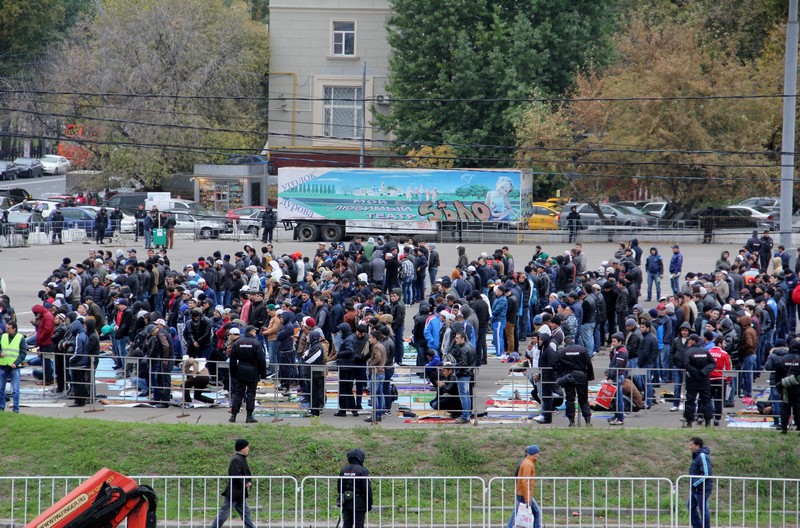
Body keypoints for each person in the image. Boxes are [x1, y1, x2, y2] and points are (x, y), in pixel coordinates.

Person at [210, 439, 255, 528]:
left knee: (246, 514)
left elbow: (244, 474)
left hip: (239, 493)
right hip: (234, 493)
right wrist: (245, 483)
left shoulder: (240, 458)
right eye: (247, 447)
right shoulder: (236, 460)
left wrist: (248, 482)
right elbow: (235, 476)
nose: (248, 449)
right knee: (223, 515)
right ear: (242, 448)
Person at [229, 325, 267, 423]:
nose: (255, 333)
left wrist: (233, 373)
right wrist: (263, 374)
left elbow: (232, 360)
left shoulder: (237, 343)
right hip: (252, 371)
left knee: (238, 393)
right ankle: (249, 416)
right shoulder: (256, 343)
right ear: (251, 332)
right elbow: (261, 360)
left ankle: (233, 415)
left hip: (240, 370)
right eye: (255, 332)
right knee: (251, 393)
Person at [556, 338, 595, 426]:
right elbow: (588, 363)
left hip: (568, 377)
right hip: (581, 376)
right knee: (584, 400)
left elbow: (557, 365)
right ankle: (588, 421)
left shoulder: (562, 352)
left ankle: (571, 422)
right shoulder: (582, 349)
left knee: (570, 400)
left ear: (565, 343)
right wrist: (590, 376)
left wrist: (561, 375)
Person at [683, 334, 716, 428]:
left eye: (690, 340)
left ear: (693, 341)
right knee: (706, 401)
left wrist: (695, 373)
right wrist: (703, 372)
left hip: (692, 380)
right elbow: (713, 363)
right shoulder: (705, 351)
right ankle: (708, 422)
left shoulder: (688, 352)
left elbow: (686, 364)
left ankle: (689, 422)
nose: (689, 342)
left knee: (690, 401)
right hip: (704, 380)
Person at [506, 445, 541, 528]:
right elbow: (525, 481)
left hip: (522, 493)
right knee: (536, 512)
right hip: (524, 494)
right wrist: (527, 498)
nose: (539, 455)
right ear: (534, 454)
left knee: (516, 513)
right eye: (538, 453)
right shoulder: (528, 464)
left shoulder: (527, 462)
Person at [338, 448, 372, 528]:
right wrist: (369, 504)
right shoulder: (363, 471)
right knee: (359, 525)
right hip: (359, 503)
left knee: (347, 524)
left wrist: (341, 499)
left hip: (346, 502)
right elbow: (367, 489)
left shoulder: (343, 470)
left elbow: (339, 487)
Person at [0, 321, 27, 413]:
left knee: (15, 390)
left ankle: (15, 409)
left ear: (14, 329)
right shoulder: (3, 336)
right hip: (3, 365)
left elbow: (23, 353)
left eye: (8, 328)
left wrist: (16, 363)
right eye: (6, 328)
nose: (6, 330)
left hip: (14, 367)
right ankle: (1, 407)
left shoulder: (20, 338)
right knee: (1, 388)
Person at [687, 437, 713, 528]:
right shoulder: (697, 456)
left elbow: (706, 473)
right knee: (690, 506)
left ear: (697, 446)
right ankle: (698, 526)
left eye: (691, 445)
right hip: (696, 488)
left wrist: (695, 483)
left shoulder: (702, 456)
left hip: (702, 489)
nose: (689, 447)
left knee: (703, 510)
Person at [606, 332, 628, 426]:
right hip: (616, 375)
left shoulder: (621, 351)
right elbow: (612, 362)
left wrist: (611, 377)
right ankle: (616, 416)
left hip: (618, 376)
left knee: (619, 399)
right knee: (616, 398)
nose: (612, 343)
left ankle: (620, 418)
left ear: (620, 342)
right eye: (612, 341)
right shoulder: (618, 350)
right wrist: (612, 352)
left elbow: (617, 366)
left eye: (614, 341)